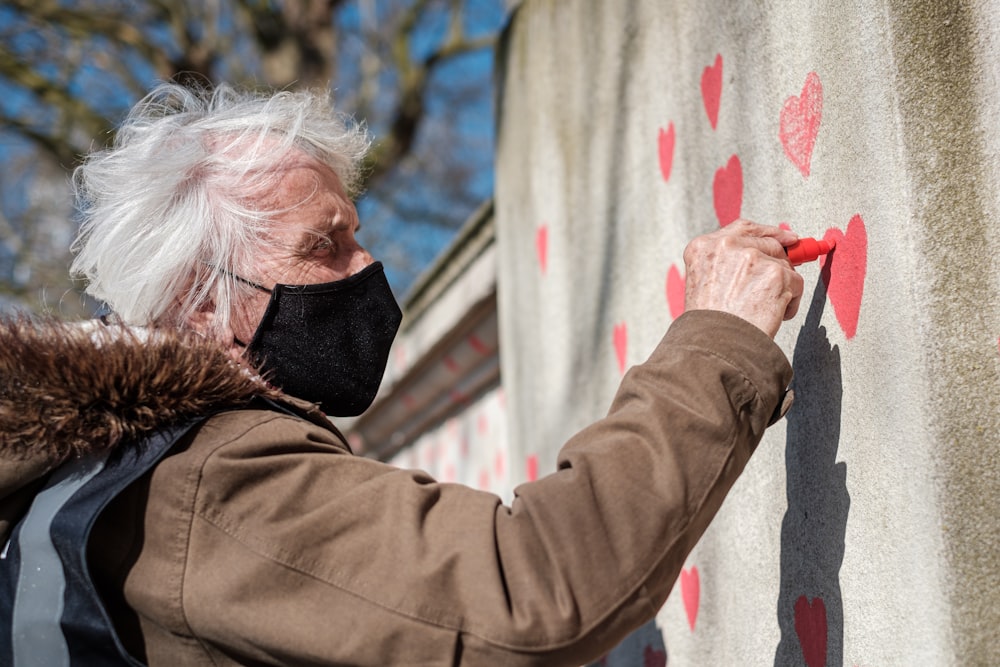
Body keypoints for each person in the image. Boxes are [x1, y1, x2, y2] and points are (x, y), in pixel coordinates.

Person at [0, 82, 803, 666]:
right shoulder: (204, 481)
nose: (370, 265)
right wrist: (718, 343)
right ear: (201, 303)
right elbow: (534, 593)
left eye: (358, 232)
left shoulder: (83, 478)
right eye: (325, 246)